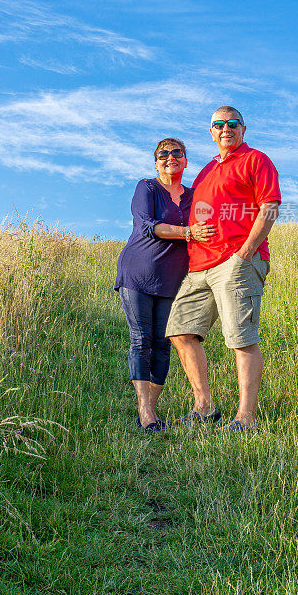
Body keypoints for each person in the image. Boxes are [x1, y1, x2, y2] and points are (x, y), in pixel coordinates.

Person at [166, 106, 281, 433]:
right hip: (200, 266)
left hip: (237, 262)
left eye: (232, 123)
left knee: (241, 338)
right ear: (211, 131)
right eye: (219, 124)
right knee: (180, 330)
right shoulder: (206, 170)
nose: (225, 128)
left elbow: (269, 207)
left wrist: (243, 255)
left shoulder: (256, 160)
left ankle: (246, 419)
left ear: (243, 129)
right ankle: (204, 408)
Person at [115, 138, 216, 432]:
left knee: (163, 344)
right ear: (155, 162)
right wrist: (188, 233)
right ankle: (146, 411)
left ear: (185, 160)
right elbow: (147, 225)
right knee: (141, 340)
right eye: (163, 154)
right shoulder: (146, 188)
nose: (170, 158)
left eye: (176, 153)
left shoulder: (195, 196)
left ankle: (153, 408)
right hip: (137, 274)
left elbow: (211, 225)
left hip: (173, 281)